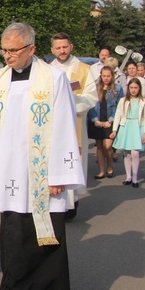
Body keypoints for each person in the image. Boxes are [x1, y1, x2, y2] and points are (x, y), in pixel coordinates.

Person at [0, 22, 85, 290]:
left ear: (32, 49)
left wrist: (58, 173)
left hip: (41, 174)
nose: (7, 56)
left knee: (42, 239)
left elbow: (63, 123)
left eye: (13, 50)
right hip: (7, 173)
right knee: (13, 239)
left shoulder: (53, 78)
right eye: (3, 50)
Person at [49, 32, 97, 217]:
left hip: (74, 122)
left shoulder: (85, 69)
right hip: (51, 124)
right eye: (58, 47)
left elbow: (91, 97)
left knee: (72, 159)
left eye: (65, 46)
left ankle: (70, 204)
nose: (62, 50)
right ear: (52, 49)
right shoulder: (46, 69)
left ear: (71, 46)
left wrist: (69, 98)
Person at [110, 78, 145, 188]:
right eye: (131, 88)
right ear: (128, 88)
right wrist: (114, 130)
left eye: (136, 88)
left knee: (135, 153)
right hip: (126, 126)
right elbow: (118, 115)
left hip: (138, 127)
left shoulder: (143, 101)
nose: (133, 90)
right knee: (127, 153)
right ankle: (128, 176)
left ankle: (135, 177)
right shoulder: (123, 100)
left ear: (139, 89)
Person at [87, 66, 123, 180]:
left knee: (107, 146)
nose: (106, 78)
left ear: (112, 76)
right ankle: (101, 171)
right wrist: (95, 120)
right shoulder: (96, 88)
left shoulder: (118, 88)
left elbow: (119, 105)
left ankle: (110, 166)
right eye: (104, 76)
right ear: (100, 76)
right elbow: (90, 104)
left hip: (110, 121)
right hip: (97, 120)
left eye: (108, 76)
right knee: (99, 147)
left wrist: (111, 120)